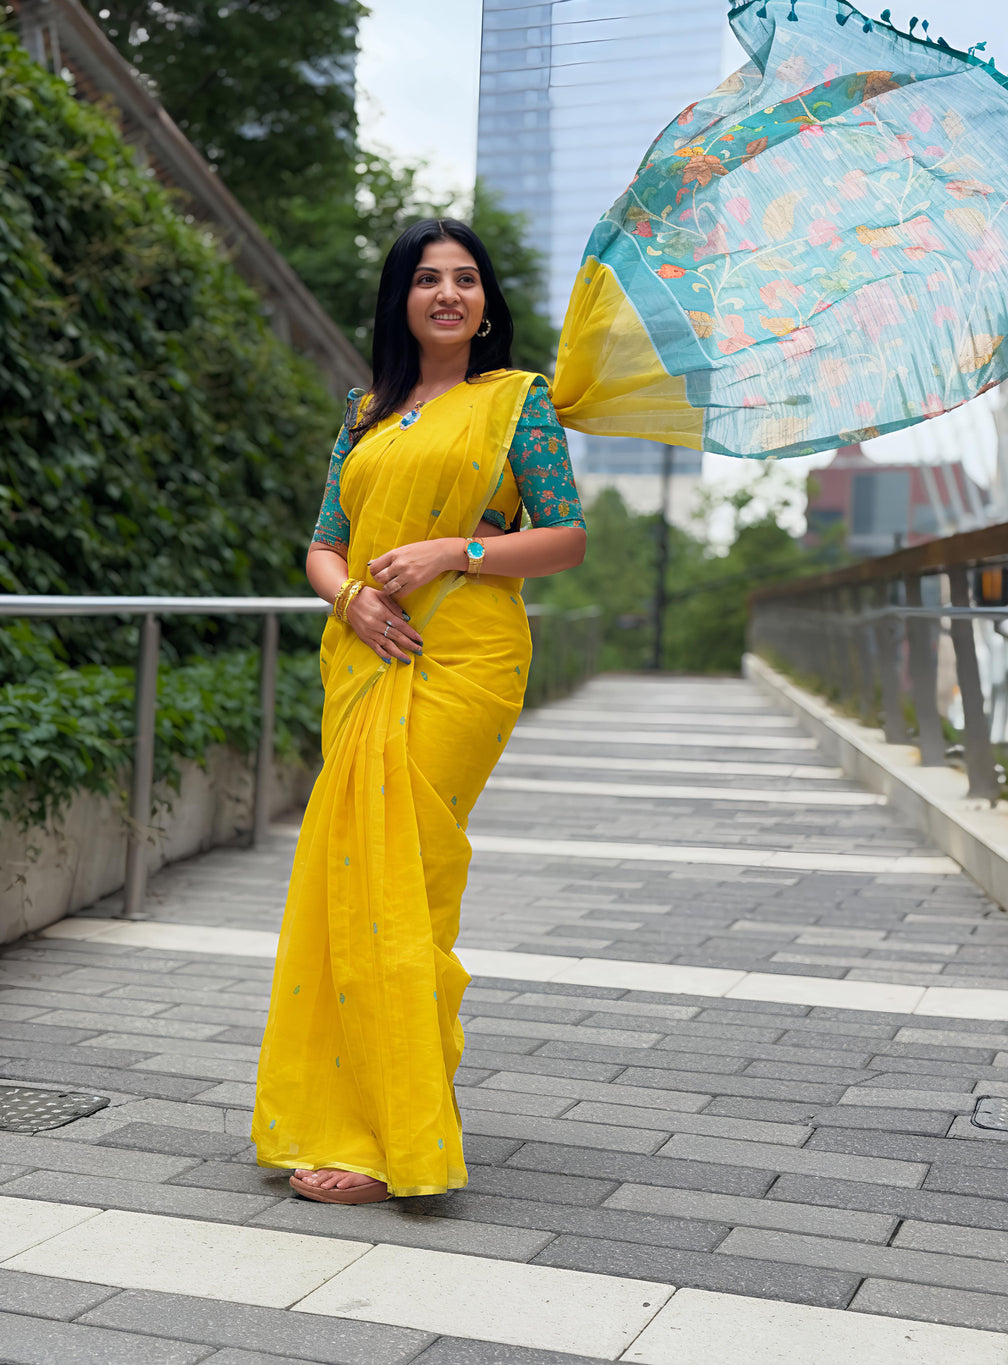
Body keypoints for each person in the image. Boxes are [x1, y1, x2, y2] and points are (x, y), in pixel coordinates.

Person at [251, 218, 587, 1204]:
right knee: (347, 880)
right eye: (429, 279)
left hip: (464, 659)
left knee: (406, 872)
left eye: (466, 280)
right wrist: (349, 595)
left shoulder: (518, 405)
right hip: (363, 656)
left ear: (486, 305)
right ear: (401, 299)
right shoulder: (363, 414)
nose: (449, 293)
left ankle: (388, 1128)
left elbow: (564, 538)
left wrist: (454, 552)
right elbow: (324, 541)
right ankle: (345, 1111)